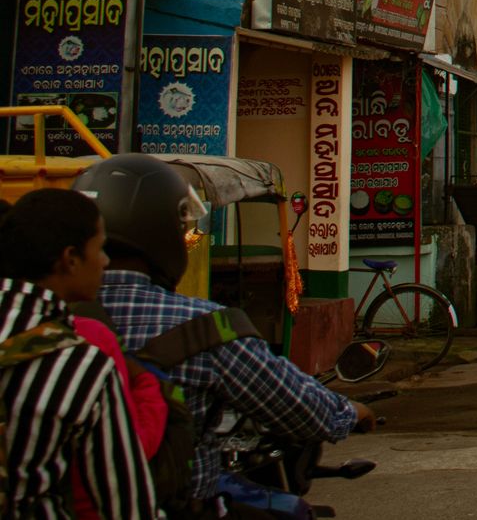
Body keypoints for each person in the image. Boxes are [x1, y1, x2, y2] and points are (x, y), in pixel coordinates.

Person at [78, 153, 371, 515]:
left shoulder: (34, 318)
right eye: (182, 229)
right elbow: (293, 404)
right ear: (161, 234)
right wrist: (349, 412)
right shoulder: (204, 327)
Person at [0, 188, 157, 520]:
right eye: (99, 249)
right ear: (70, 259)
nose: (105, 262)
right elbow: (127, 505)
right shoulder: (86, 365)